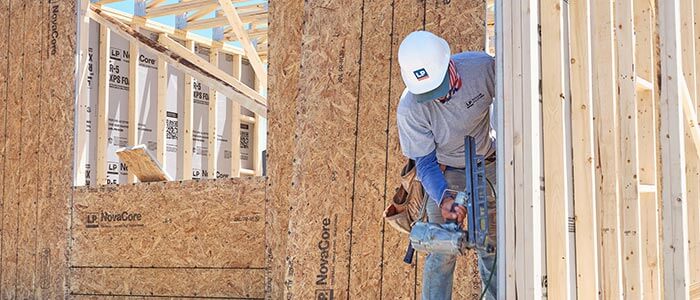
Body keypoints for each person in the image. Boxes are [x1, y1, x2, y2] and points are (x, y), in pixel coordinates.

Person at [396, 31, 497, 300]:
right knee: (441, 249)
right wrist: (443, 198)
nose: (437, 99)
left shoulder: (483, 69)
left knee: (492, 247)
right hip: (445, 171)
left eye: (439, 90)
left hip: (485, 163)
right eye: (428, 94)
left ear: (450, 65)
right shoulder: (410, 109)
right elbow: (426, 162)